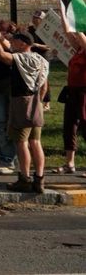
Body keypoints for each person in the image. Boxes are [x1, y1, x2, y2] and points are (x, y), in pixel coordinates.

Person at [0, 26, 50, 194]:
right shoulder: (42, 60)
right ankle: (39, 178)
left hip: (21, 103)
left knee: (21, 143)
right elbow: (44, 86)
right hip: (36, 102)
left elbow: (0, 54)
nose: (12, 43)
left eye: (15, 41)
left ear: (23, 44)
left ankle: (24, 178)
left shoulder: (22, 58)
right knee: (36, 142)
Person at [58, 15, 86, 174]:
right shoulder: (78, 50)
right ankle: (70, 163)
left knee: (85, 124)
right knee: (69, 126)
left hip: (84, 92)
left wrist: (75, 14)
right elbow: (67, 31)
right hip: (72, 91)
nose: (75, 37)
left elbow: (78, 33)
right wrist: (63, 10)